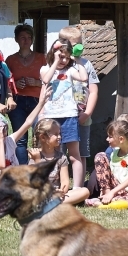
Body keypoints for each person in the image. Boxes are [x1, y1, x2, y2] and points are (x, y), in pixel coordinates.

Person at [39, 38, 88, 194]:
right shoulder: (45, 68)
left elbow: (84, 77)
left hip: (69, 116)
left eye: (66, 57)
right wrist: (55, 61)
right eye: (60, 56)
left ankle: (78, 188)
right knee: (55, 153)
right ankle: (57, 185)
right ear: (53, 54)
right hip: (51, 117)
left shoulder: (70, 71)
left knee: (74, 155)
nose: (63, 60)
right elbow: (46, 79)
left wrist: (77, 59)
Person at [0, 88, 49, 177]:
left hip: (14, 180)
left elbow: (28, 123)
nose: (5, 132)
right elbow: (1, 165)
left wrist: (41, 103)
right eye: (1, 130)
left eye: (5, 128)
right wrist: (0, 140)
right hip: (0, 184)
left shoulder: (10, 140)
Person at [58, 26, 99, 179]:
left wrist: (87, 113)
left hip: (82, 116)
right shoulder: (59, 64)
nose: (78, 48)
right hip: (61, 115)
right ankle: (59, 184)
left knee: (81, 153)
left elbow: (93, 91)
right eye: (74, 45)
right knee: (58, 152)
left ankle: (79, 187)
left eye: (80, 44)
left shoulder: (86, 64)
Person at [5, 24, 45, 165]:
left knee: (41, 135)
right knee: (20, 137)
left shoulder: (42, 58)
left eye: (29, 37)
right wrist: (16, 83)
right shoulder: (10, 60)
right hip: (18, 101)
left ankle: (42, 168)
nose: (26, 40)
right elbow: (6, 82)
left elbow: (50, 82)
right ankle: (22, 169)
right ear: (16, 39)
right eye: (23, 37)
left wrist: (36, 82)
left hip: (37, 100)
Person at [85, 120, 128, 208]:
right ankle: (106, 197)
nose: (107, 139)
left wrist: (112, 193)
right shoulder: (114, 153)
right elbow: (110, 176)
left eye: (110, 137)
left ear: (121, 139)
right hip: (115, 191)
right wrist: (108, 191)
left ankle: (102, 203)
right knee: (100, 155)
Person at [27, 118, 77, 203]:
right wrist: (37, 160)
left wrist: (61, 191)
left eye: (59, 134)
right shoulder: (34, 155)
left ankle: (51, 203)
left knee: (84, 191)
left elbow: (65, 181)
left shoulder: (61, 157)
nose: (59, 137)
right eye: (56, 134)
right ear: (43, 137)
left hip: (56, 194)